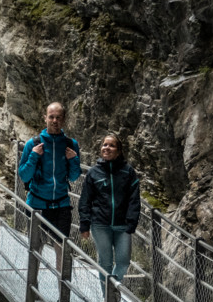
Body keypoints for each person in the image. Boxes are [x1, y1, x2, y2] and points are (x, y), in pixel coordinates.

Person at [79, 134, 141, 280]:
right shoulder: (94, 172)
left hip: (123, 226)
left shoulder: (128, 172)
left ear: (119, 151)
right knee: (105, 263)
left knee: (123, 262)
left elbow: (134, 199)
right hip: (100, 224)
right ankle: (108, 299)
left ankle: (112, 293)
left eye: (111, 145)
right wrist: (84, 224)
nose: (107, 148)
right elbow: (85, 199)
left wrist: (131, 222)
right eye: (105, 145)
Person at [17, 102, 79, 238]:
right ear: (45, 118)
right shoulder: (33, 144)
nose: (54, 121)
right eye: (51, 117)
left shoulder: (71, 145)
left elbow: (74, 177)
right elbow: (24, 176)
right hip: (37, 205)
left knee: (62, 249)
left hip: (62, 205)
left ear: (64, 119)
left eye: (58, 117)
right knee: (36, 248)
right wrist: (33, 156)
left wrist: (73, 160)